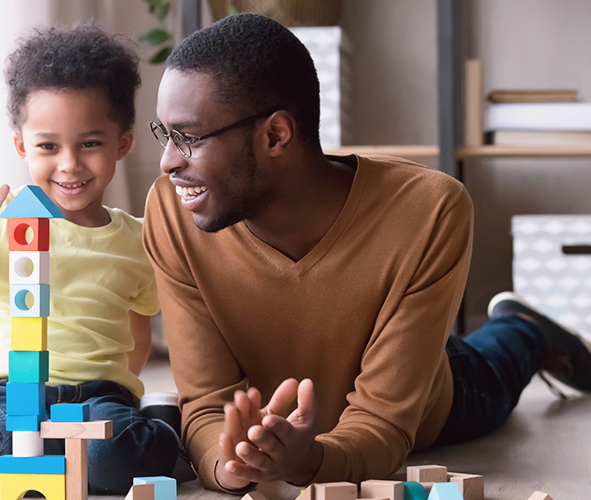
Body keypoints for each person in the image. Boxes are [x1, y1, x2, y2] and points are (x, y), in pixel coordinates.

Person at [142, 13, 591, 493]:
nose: (168, 160)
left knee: (495, 365)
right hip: (299, 413)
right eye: (164, 134)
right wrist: (230, 464)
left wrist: (311, 460)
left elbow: (385, 425)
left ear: (275, 135)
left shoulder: (429, 209)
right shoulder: (173, 214)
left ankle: (526, 330)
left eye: (188, 137)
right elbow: (206, 405)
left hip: (428, 398)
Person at [0, 24, 193, 493]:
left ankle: (156, 421)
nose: (69, 164)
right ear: (22, 145)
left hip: (100, 393)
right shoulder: (0, 219)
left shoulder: (136, 238)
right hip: (7, 392)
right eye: (48, 146)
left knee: (114, 460)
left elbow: (137, 329)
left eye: (90, 143)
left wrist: (124, 388)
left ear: (122, 144)